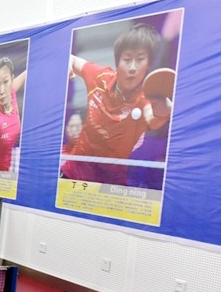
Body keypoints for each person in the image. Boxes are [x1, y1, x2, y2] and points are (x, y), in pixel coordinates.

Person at [60, 23, 172, 185]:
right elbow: (71, 59)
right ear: (118, 61)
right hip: (73, 174)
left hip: (109, 185)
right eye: (127, 59)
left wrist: (165, 105)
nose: (132, 67)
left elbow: (154, 119)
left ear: (148, 65)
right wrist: (69, 65)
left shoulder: (144, 99)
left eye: (140, 59)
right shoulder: (100, 77)